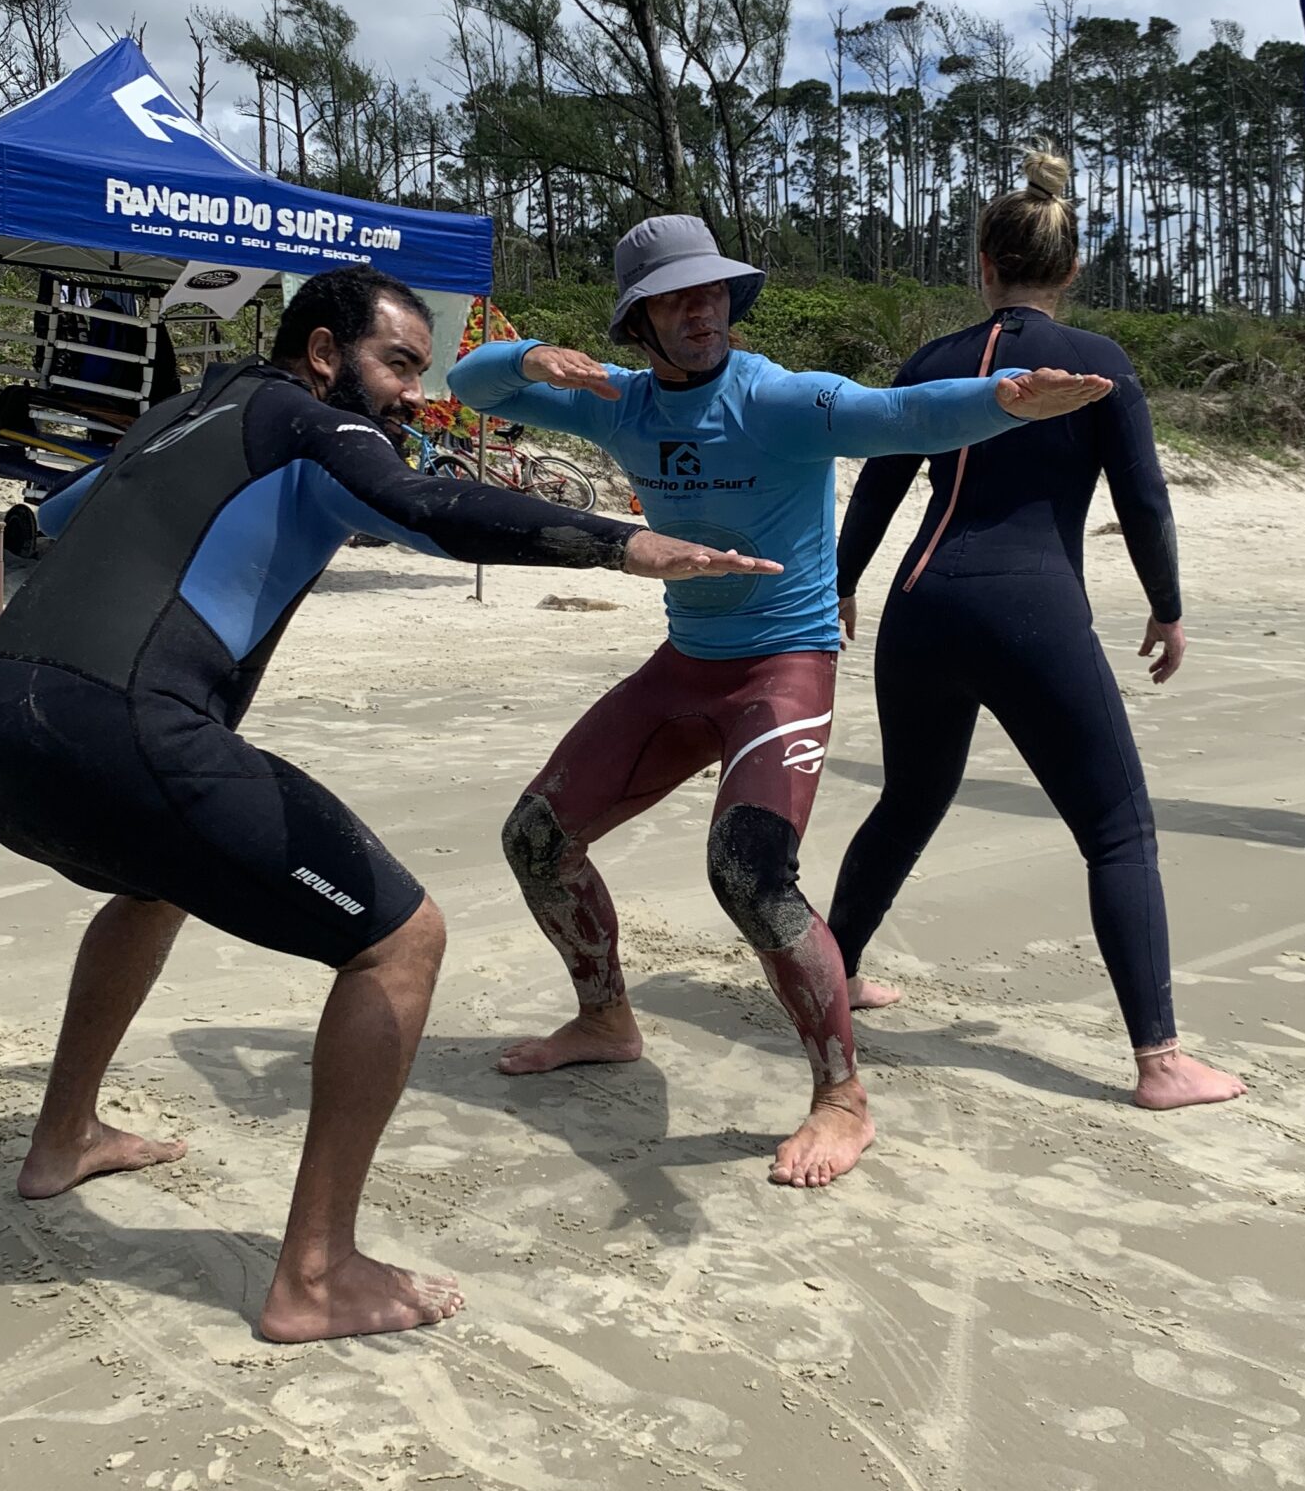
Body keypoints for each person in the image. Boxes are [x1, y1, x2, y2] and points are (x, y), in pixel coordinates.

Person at [0, 266, 780, 1344]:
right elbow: (426, 505)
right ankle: (316, 1273)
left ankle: (62, 1137)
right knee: (400, 940)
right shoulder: (308, 420)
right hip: (122, 729)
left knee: (158, 880)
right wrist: (625, 545)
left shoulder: (186, 411)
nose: (412, 395)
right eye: (397, 365)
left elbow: (63, 513)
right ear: (321, 354)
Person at [446, 215, 1113, 1188]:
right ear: (638, 319)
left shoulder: (780, 398)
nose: (701, 310)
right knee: (536, 840)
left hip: (784, 668)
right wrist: (525, 356)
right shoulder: (620, 404)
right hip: (686, 665)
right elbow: (467, 387)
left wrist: (1001, 399)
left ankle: (842, 1096)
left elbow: (904, 416)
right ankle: (605, 1018)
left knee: (749, 873)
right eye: (676, 297)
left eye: (712, 290)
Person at [827, 149, 1244, 1113]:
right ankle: (1161, 1062)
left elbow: (880, 486)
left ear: (983, 264)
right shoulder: (1100, 363)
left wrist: (840, 587)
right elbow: (1143, 500)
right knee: (1118, 830)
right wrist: (1167, 605)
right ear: (1072, 269)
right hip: (1033, 609)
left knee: (909, 799)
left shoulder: (931, 363)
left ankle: (832, 977)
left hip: (921, 604)